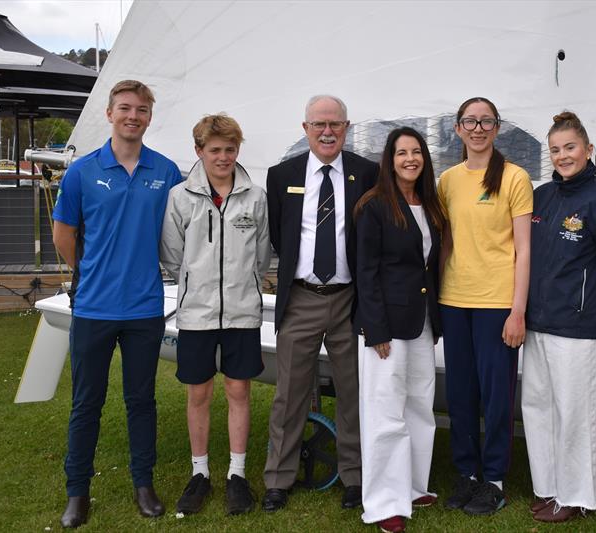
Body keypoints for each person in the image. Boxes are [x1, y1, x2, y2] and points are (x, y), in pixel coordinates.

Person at [52, 80, 183, 528]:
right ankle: (77, 491)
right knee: (86, 403)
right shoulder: (82, 172)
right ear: (109, 114)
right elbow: (63, 235)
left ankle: (143, 484)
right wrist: (91, 273)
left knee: (141, 401)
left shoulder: (167, 172)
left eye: (142, 110)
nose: (133, 116)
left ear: (149, 117)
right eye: (125, 108)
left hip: (145, 309)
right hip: (93, 309)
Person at [263, 95, 379, 511]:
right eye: (319, 125)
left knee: (353, 391)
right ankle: (278, 477)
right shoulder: (282, 176)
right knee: (289, 393)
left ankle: (355, 477)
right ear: (305, 128)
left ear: (347, 127)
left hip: (350, 300)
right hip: (302, 299)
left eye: (335, 124)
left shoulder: (367, 173)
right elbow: (280, 234)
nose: (327, 132)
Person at [160, 114, 270, 516]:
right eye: (214, 150)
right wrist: (198, 284)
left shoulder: (255, 197)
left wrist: (240, 287)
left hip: (242, 314)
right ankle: (200, 473)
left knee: (239, 392)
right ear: (199, 151)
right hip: (197, 316)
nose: (223, 157)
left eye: (230, 149)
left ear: (237, 150)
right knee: (199, 393)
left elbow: (261, 256)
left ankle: (237, 475)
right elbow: (173, 258)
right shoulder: (179, 197)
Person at [521, 111, 596, 523]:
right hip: (538, 322)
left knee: (574, 412)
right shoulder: (542, 197)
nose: (562, 156)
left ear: (588, 149)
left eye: (570, 147)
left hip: (577, 326)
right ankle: (549, 489)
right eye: (555, 150)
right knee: (538, 406)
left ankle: (578, 495)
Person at [438, 97, 533, 515]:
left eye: (486, 121)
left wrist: (518, 311)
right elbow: (444, 244)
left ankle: (493, 477)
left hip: (497, 303)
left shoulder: (515, 178)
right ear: (458, 128)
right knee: (460, 393)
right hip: (454, 300)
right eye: (470, 121)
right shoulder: (447, 181)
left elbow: (524, 251)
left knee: (496, 396)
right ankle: (467, 473)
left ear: (497, 128)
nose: (478, 128)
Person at [353, 127, 446, 533]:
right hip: (386, 325)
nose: (410, 158)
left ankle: (411, 486)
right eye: (401, 152)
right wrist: (375, 328)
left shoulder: (430, 203)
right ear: (389, 160)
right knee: (385, 411)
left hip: (422, 320)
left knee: (419, 406)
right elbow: (366, 272)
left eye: (416, 151)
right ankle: (382, 502)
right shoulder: (373, 206)